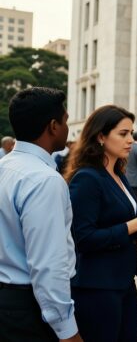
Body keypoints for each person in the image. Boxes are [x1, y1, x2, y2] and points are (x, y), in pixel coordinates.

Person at [65, 105, 137, 342]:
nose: (131, 140)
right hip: (97, 287)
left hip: (123, 281)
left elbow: (121, 221)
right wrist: (134, 225)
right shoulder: (87, 178)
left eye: (132, 133)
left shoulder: (117, 173)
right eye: (123, 134)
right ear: (101, 136)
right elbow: (84, 239)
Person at [0, 87, 82, 342]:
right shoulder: (44, 180)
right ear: (53, 126)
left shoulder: (5, 167)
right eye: (66, 120)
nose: (68, 128)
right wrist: (68, 332)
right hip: (28, 308)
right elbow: (48, 266)